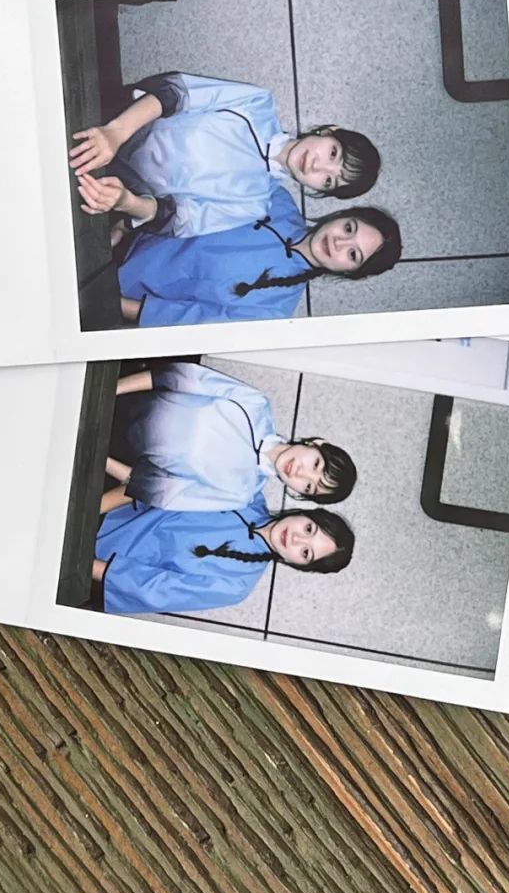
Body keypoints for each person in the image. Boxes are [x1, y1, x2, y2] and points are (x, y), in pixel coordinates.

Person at [69, 70, 381, 241]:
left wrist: (126, 202)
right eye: (333, 153)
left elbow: (177, 219)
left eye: (327, 181)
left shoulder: (254, 204)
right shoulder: (257, 105)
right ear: (328, 131)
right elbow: (175, 93)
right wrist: (115, 133)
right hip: (109, 119)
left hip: (114, 186)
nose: (317, 166)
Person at [115, 181, 402, 327]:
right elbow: (187, 190)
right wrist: (122, 225)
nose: (339, 242)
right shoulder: (275, 197)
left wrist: (109, 304)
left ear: (349, 272)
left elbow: (189, 320)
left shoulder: (273, 311)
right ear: (341, 215)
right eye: (349, 228)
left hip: (113, 293)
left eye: (353, 254)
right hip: (119, 222)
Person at [104, 361, 356, 514]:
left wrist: (101, 458)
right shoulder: (255, 405)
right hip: (119, 396)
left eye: (309, 487)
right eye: (315, 465)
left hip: (110, 453)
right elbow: (174, 378)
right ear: (317, 444)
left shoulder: (239, 494)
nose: (301, 474)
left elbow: (162, 491)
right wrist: (106, 393)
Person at [93, 495, 355, 615]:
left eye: (306, 552)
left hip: (93, 561)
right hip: (107, 501)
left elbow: (153, 589)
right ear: (305, 514)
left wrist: (83, 561)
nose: (296, 539)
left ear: (298, 564)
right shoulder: (248, 493)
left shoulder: (237, 586)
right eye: (309, 529)